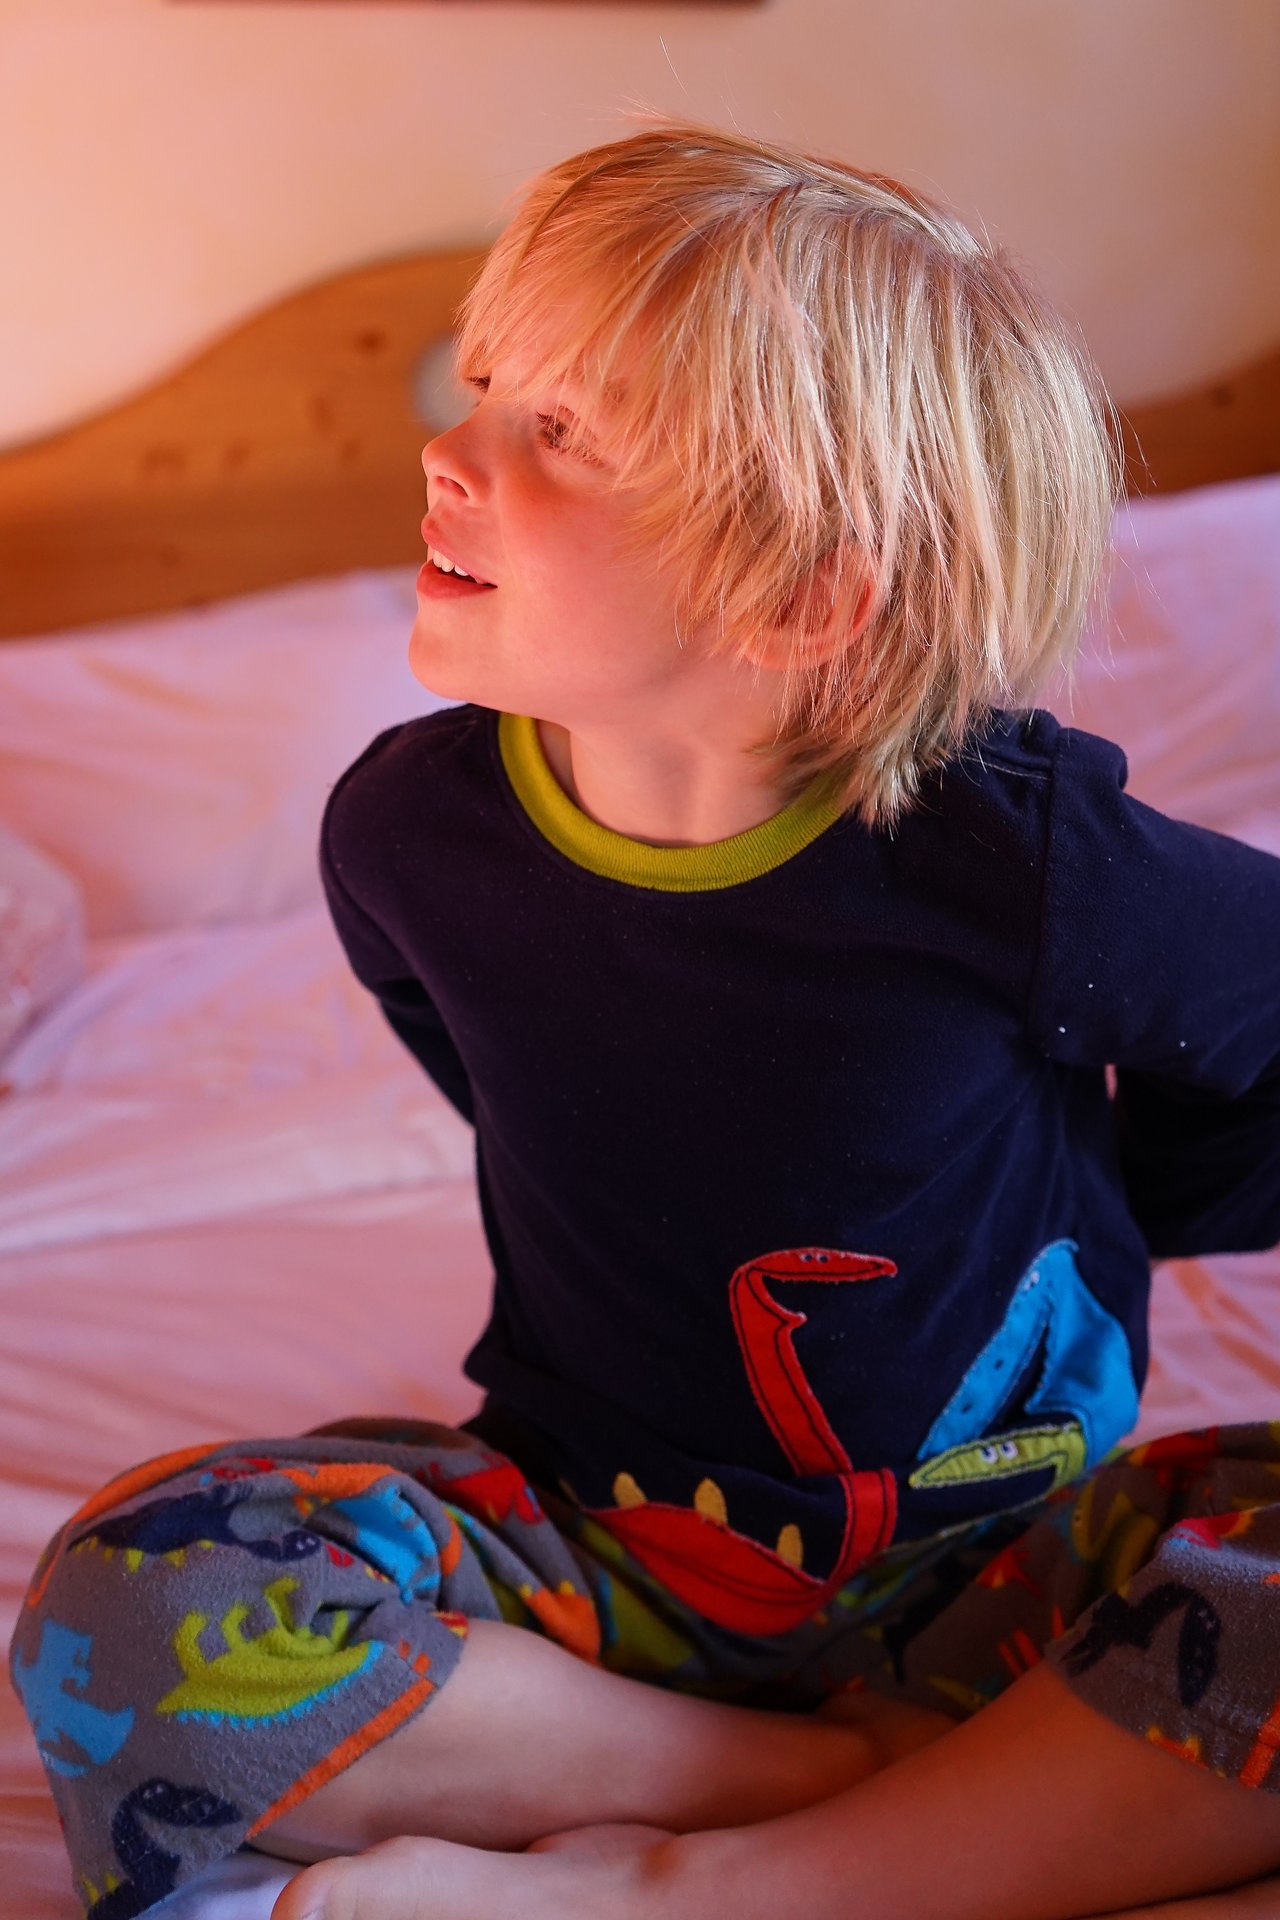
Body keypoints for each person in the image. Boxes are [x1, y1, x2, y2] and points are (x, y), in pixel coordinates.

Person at [11, 121, 1280, 1920]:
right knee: (131, 1596)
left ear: (800, 592)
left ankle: (709, 1889)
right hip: (600, 1565)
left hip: (1021, 1569)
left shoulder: (1025, 862)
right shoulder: (409, 835)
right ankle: (821, 1784)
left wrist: (1136, 1201)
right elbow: (492, 1073)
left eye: (560, 434)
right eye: (488, 392)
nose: (448, 453)